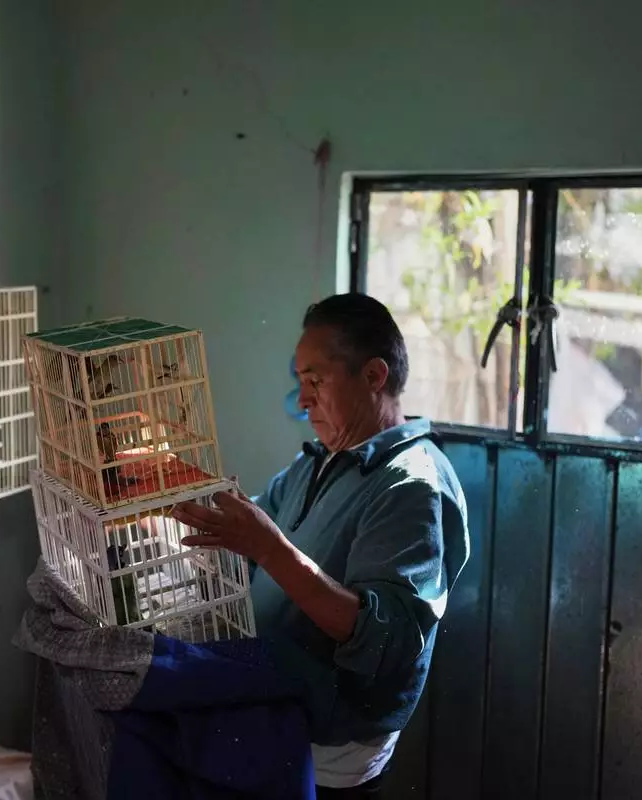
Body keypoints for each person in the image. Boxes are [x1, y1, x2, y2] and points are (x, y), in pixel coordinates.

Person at [171, 293, 470, 798]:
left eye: (315, 381)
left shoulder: (411, 486)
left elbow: (384, 640)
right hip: (274, 708)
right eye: (300, 382)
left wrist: (270, 549)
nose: (302, 400)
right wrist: (173, 489)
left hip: (331, 750)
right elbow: (248, 533)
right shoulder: (321, 460)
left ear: (373, 376)